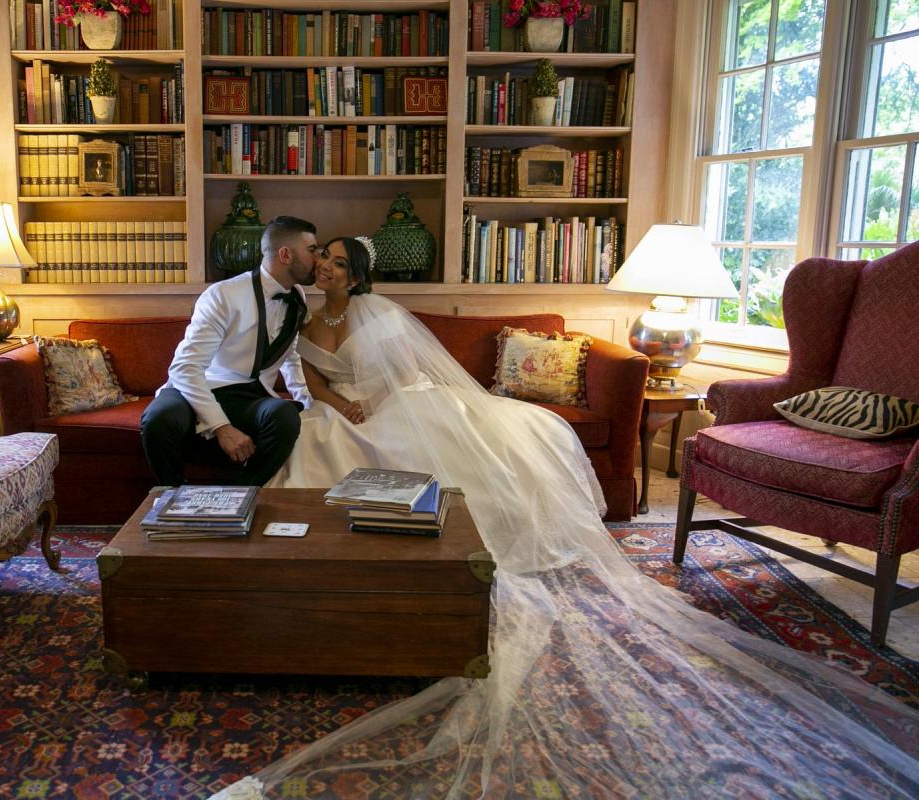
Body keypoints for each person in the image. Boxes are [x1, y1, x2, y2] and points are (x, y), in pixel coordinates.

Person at [213, 236, 919, 799]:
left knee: (410, 448)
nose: (326, 269)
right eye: (323, 260)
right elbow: (307, 380)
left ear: (358, 274)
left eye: (339, 263)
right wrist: (339, 406)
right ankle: (324, 547)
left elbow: (403, 375)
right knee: (317, 438)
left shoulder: (381, 315)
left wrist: (372, 403)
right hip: (342, 410)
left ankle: (428, 541)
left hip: (401, 401)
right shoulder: (300, 316)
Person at [140, 215, 318, 487]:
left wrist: (309, 402)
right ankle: (173, 495)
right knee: (158, 419)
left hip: (248, 397)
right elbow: (186, 367)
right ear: (285, 255)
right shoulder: (223, 295)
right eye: (312, 249)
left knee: (285, 416)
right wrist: (221, 427)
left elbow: (290, 356)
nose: (318, 258)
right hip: (198, 388)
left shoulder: (297, 296)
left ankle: (242, 495)